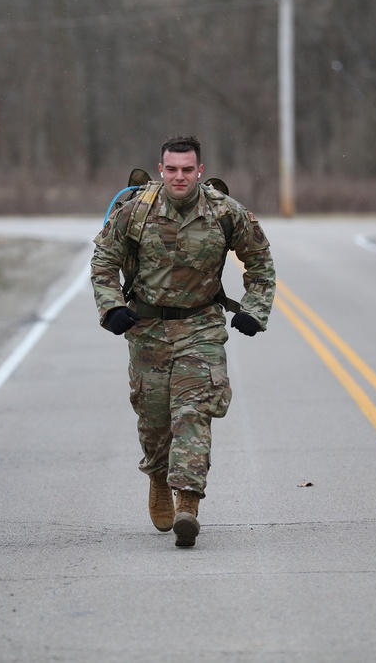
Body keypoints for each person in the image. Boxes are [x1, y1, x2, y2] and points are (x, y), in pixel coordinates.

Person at [90, 135, 276, 548]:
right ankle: (158, 477)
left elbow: (261, 262)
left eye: (187, 170)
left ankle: (188, 504)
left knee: (193, 413)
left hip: (201, 328)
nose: (179, 177)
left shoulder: (226, 213)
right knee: (155, 422)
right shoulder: (134, 212)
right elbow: (103, 260)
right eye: (172, 169)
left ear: (200, 171)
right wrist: (111, 306)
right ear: (161, 170)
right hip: (147, 329)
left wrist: (253, 309)